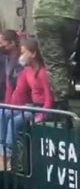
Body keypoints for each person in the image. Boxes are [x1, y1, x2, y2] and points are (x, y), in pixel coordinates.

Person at [0, 38, 53, 171]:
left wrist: (42, 115)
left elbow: (48, 98)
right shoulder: (26, 70)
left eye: (24, 53)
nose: (21, 56)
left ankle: (7, 156)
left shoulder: (42, 72)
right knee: (3, 113)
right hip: (31, 105)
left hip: (40, 108)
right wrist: (12, 106)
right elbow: (19, 89)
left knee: (15, 121)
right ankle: (1, 150)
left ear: (33, 54)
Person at [33, 0, 80, 111]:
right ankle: (64, 91)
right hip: (72, 15)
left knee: (54, 61)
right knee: (64, 58)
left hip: (46, 13)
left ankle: (61, 103)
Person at [0, 30, 24, 103]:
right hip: (7, 100)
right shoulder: (5, 58)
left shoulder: (22, 61)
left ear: (12, 43)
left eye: (1, 43)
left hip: (18, 102)